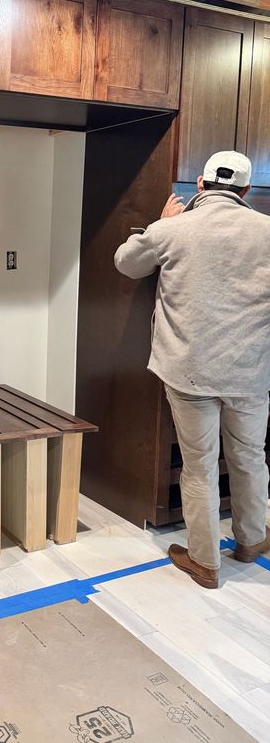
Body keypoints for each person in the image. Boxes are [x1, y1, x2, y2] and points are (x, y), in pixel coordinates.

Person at [114, 150, 270, 589]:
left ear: (199, 185)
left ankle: (204, 561)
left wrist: (155, 224)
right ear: (246, 191)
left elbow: (126, 264)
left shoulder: (172, 229)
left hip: (189, 371)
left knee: (199, 464)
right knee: (249, 456)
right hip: (250, 372)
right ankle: (251, 540)